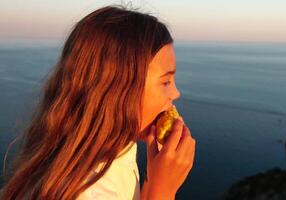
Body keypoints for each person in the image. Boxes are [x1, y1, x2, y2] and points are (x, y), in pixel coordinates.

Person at [0, 5, 196, 200]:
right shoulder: (88, 193)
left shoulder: (111, 155)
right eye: (165, 81)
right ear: (118, 91)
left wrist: (154, 181)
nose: (176, 93)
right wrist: (162, 191)